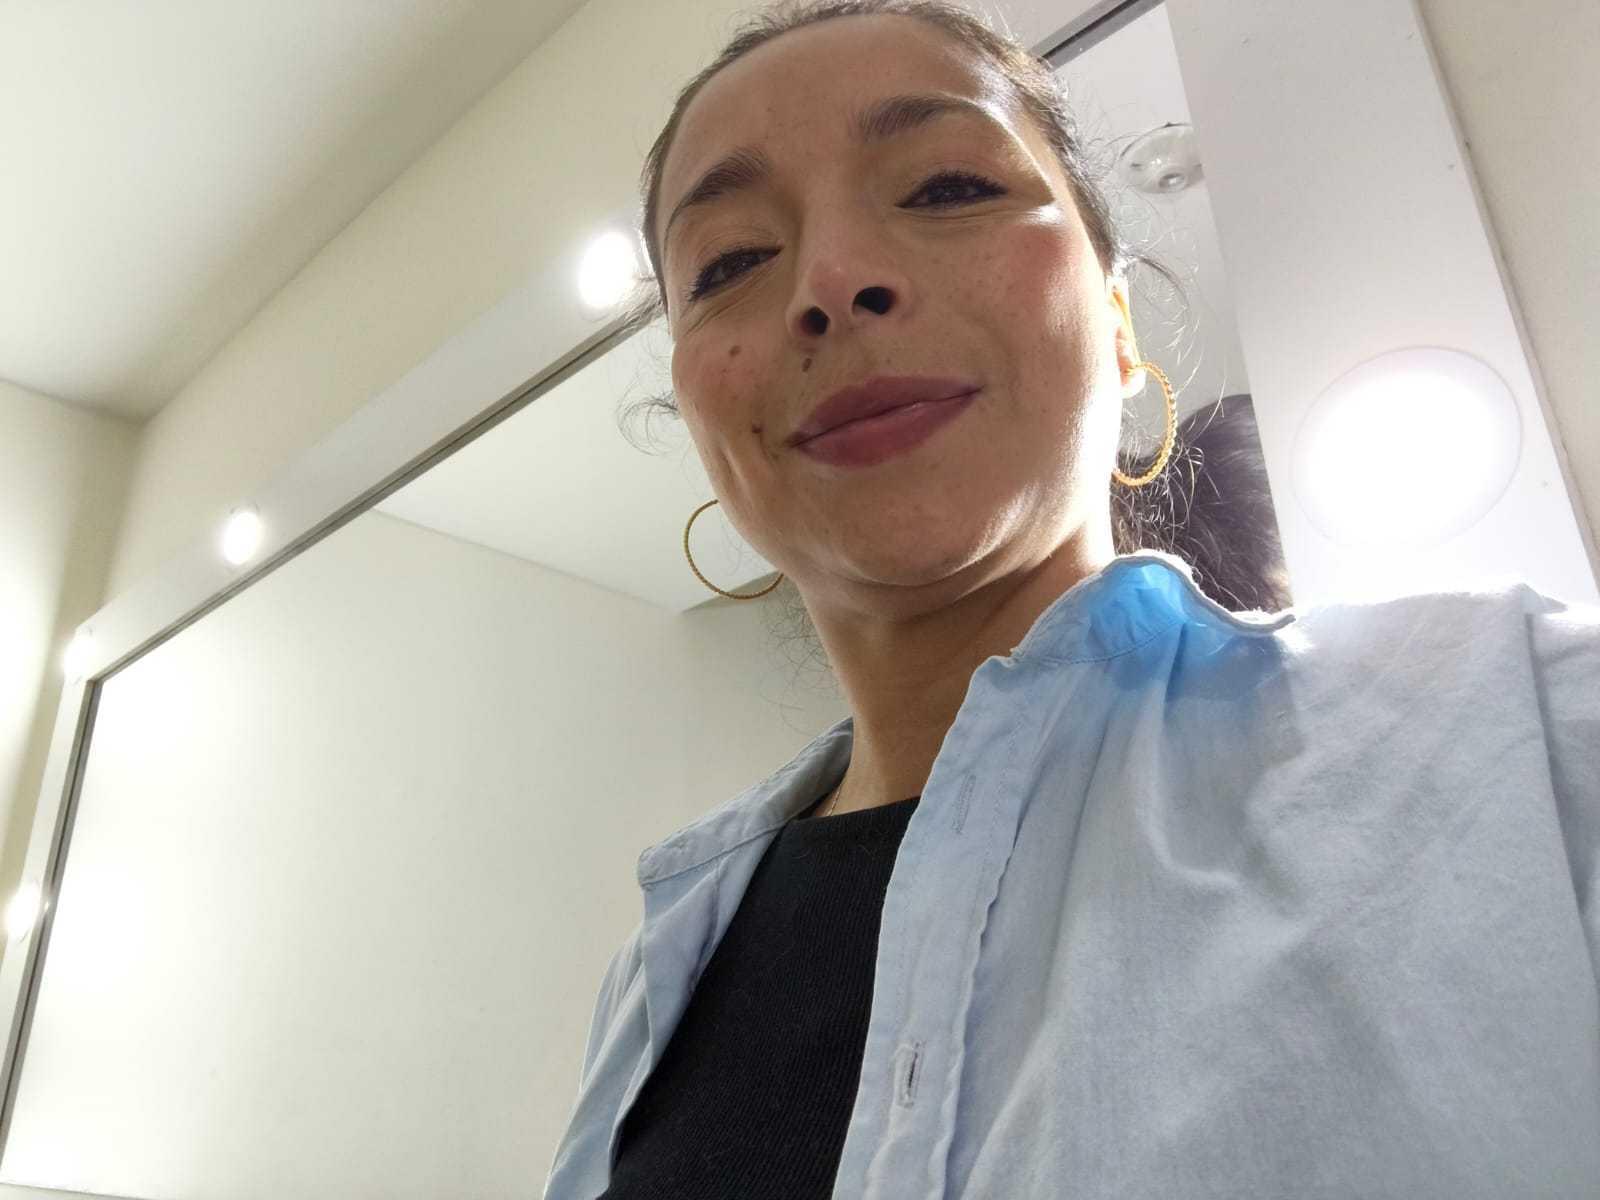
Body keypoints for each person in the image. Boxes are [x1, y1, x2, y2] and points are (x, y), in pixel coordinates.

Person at [544, 2, 1600, 1196]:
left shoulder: (1523, 736)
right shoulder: (656, 982)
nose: (830, 282)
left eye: (945, 186)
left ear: (1117, 319)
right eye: (731, 261)